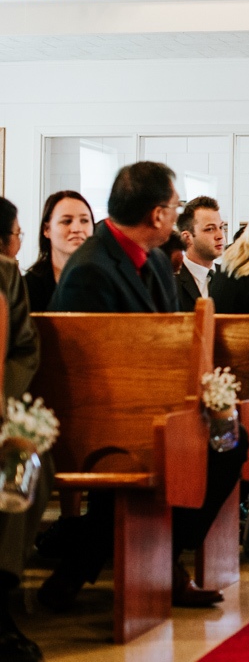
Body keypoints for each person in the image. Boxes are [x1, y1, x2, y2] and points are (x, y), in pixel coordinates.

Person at [41, 162, 248, 610]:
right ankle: (137, 557)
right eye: (174, 208)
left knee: (231, 437)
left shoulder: (154, 260)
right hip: (102, 415)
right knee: (208, 445)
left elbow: (171, 341)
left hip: (152, 404)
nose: (177, 218)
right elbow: (88, 370)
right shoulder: (91, 269)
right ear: (157, 215)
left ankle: (151, 552)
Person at [0, 208, 41, 662]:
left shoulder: (6, 275)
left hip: (6, 406)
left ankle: (1, 598)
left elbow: (22, 349)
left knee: (21, 457)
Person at [23, 191, 94, 312]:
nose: (77, 229)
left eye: (84, 220)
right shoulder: (27, 286)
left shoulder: (107, 278)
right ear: (47, 229)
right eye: (66, 221)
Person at [175, 196, 226, 312]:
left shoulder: (230, 278)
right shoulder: (171, 280)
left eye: (221, 227)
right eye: (209, 229)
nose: (220, 236)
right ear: (187, 238)